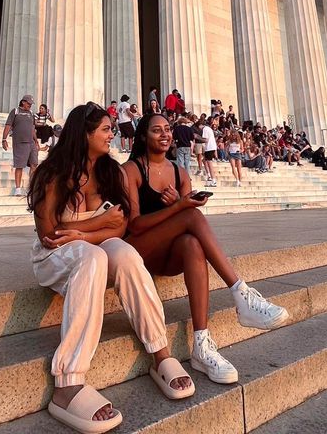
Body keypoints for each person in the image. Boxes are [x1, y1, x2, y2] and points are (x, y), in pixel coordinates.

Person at [28, 103, 195, 432]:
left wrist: (82, 231)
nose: (112, 134)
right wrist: (96, 226)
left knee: (125, 253)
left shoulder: (108, 171)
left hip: (87, 246)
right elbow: (50, 236)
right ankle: (68, 381)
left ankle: (159, 353)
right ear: (85, 133)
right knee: (94, 256)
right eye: (105, 129)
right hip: (53, 259)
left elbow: (118, 228)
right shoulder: (50, 174)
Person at [122, 113, 289, 385]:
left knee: (191, 243)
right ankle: (241, 293)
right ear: (143, 136)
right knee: (192, 216)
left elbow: (183, 220)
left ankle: (202, 344)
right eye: (156, 131)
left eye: (167, 129)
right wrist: (179, 207)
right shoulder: (131, 170)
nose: (165, 135)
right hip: (137, 253)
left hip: (169, 256)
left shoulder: (180, 172)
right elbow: (135, 225)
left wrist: (179, 204)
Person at [2, 95, 40, 196]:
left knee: (34, 164)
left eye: (31, 104)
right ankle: (18, 189)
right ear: (23, 102)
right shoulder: (15, 111)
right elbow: (8, 125)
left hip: (31, 142)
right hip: (20, 143)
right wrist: (4, 139)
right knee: (20, 166)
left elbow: (32, 128)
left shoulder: (31, 113)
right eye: (28, 103)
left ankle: (31, 188)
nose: (30, 105)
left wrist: (36, 141)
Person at [201, 115, 218, 187]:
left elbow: (205, 139)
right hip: (212, 147)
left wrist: (197, 138)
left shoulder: (205, 129)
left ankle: (213, 180)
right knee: (204, 160)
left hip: (209, 147)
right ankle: (209, 176)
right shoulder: (209, 129)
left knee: (209, 163)